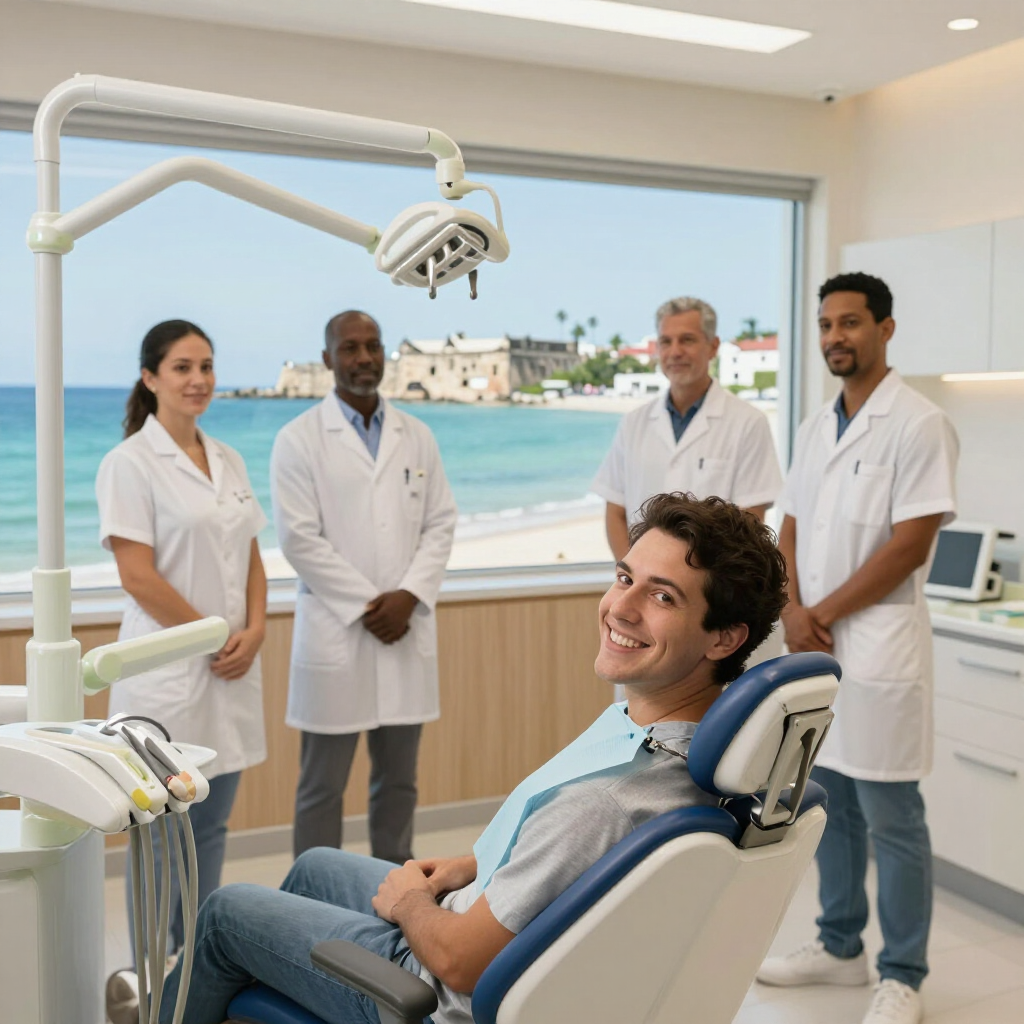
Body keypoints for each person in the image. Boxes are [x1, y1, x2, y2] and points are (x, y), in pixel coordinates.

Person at [154, 492, 788, 1024]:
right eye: (625, 578)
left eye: (663, 597)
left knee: (226, 913)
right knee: (318, 866)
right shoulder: (676, 745)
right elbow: (562, 862)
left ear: (725, 638)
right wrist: (479, 862)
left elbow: (459, 963)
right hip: (481, 920)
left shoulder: (608, 801)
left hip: (434, 991)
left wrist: (409, 906)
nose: (620, 607)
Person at [757, 273, 959, 1024]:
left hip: (877, 646)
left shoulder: (918, 423)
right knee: (828, 801)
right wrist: (792, 608)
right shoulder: (816, 426)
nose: (835, 337)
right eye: (826, 325)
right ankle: (839, 947)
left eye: (850, 323)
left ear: (886, 329)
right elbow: (792, 525)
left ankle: (901, 972)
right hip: (815, 642)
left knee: (892, 814)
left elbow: (910, 544)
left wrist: (824, 611)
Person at [96, 320, 268, 1016]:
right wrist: (210, 634)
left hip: (229, 664)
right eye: (181, 367)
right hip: (167, 671)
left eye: (205, 366)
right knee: (161, 842)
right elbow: (136, 575)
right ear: (151, 378)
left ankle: (196, 965)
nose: (197, 379)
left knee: (212, 831)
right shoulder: (130, 463)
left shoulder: (226, 457)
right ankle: (151, 970)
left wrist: (255, 630)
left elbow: (253, 557)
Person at [271, 310, 457, 864]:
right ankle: (313, 901)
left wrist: (408, 598)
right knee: (321, 787)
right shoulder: (299, 440)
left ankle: (394, 894)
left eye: (372, 346)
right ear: (328, 359)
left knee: (399, 783)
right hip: (338, 632)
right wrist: (368, 606)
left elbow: (441, 521)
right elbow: (299, 540)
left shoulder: (416, 436)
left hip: (405, 629)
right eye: (349, 348)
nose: (363, 358)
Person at [592, 296, 782, 561]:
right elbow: (615, 510)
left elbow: (750, 523)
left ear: (713, 346)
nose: (675, 351)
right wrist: (633, 577)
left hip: (710, 589)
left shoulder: (748, 422)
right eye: (666, 342)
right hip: (641, 584)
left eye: (687, 340)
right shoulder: (633, 423)